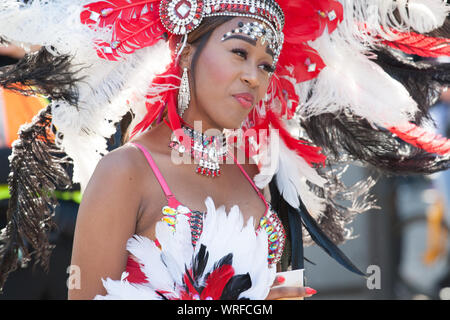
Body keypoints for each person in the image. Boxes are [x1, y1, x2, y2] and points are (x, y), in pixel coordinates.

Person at [0, 0, 449, 300]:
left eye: (266, 64)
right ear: (185, 53)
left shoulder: (256, 176)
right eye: (239, 52)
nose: (254, 76)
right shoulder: (128, 171)